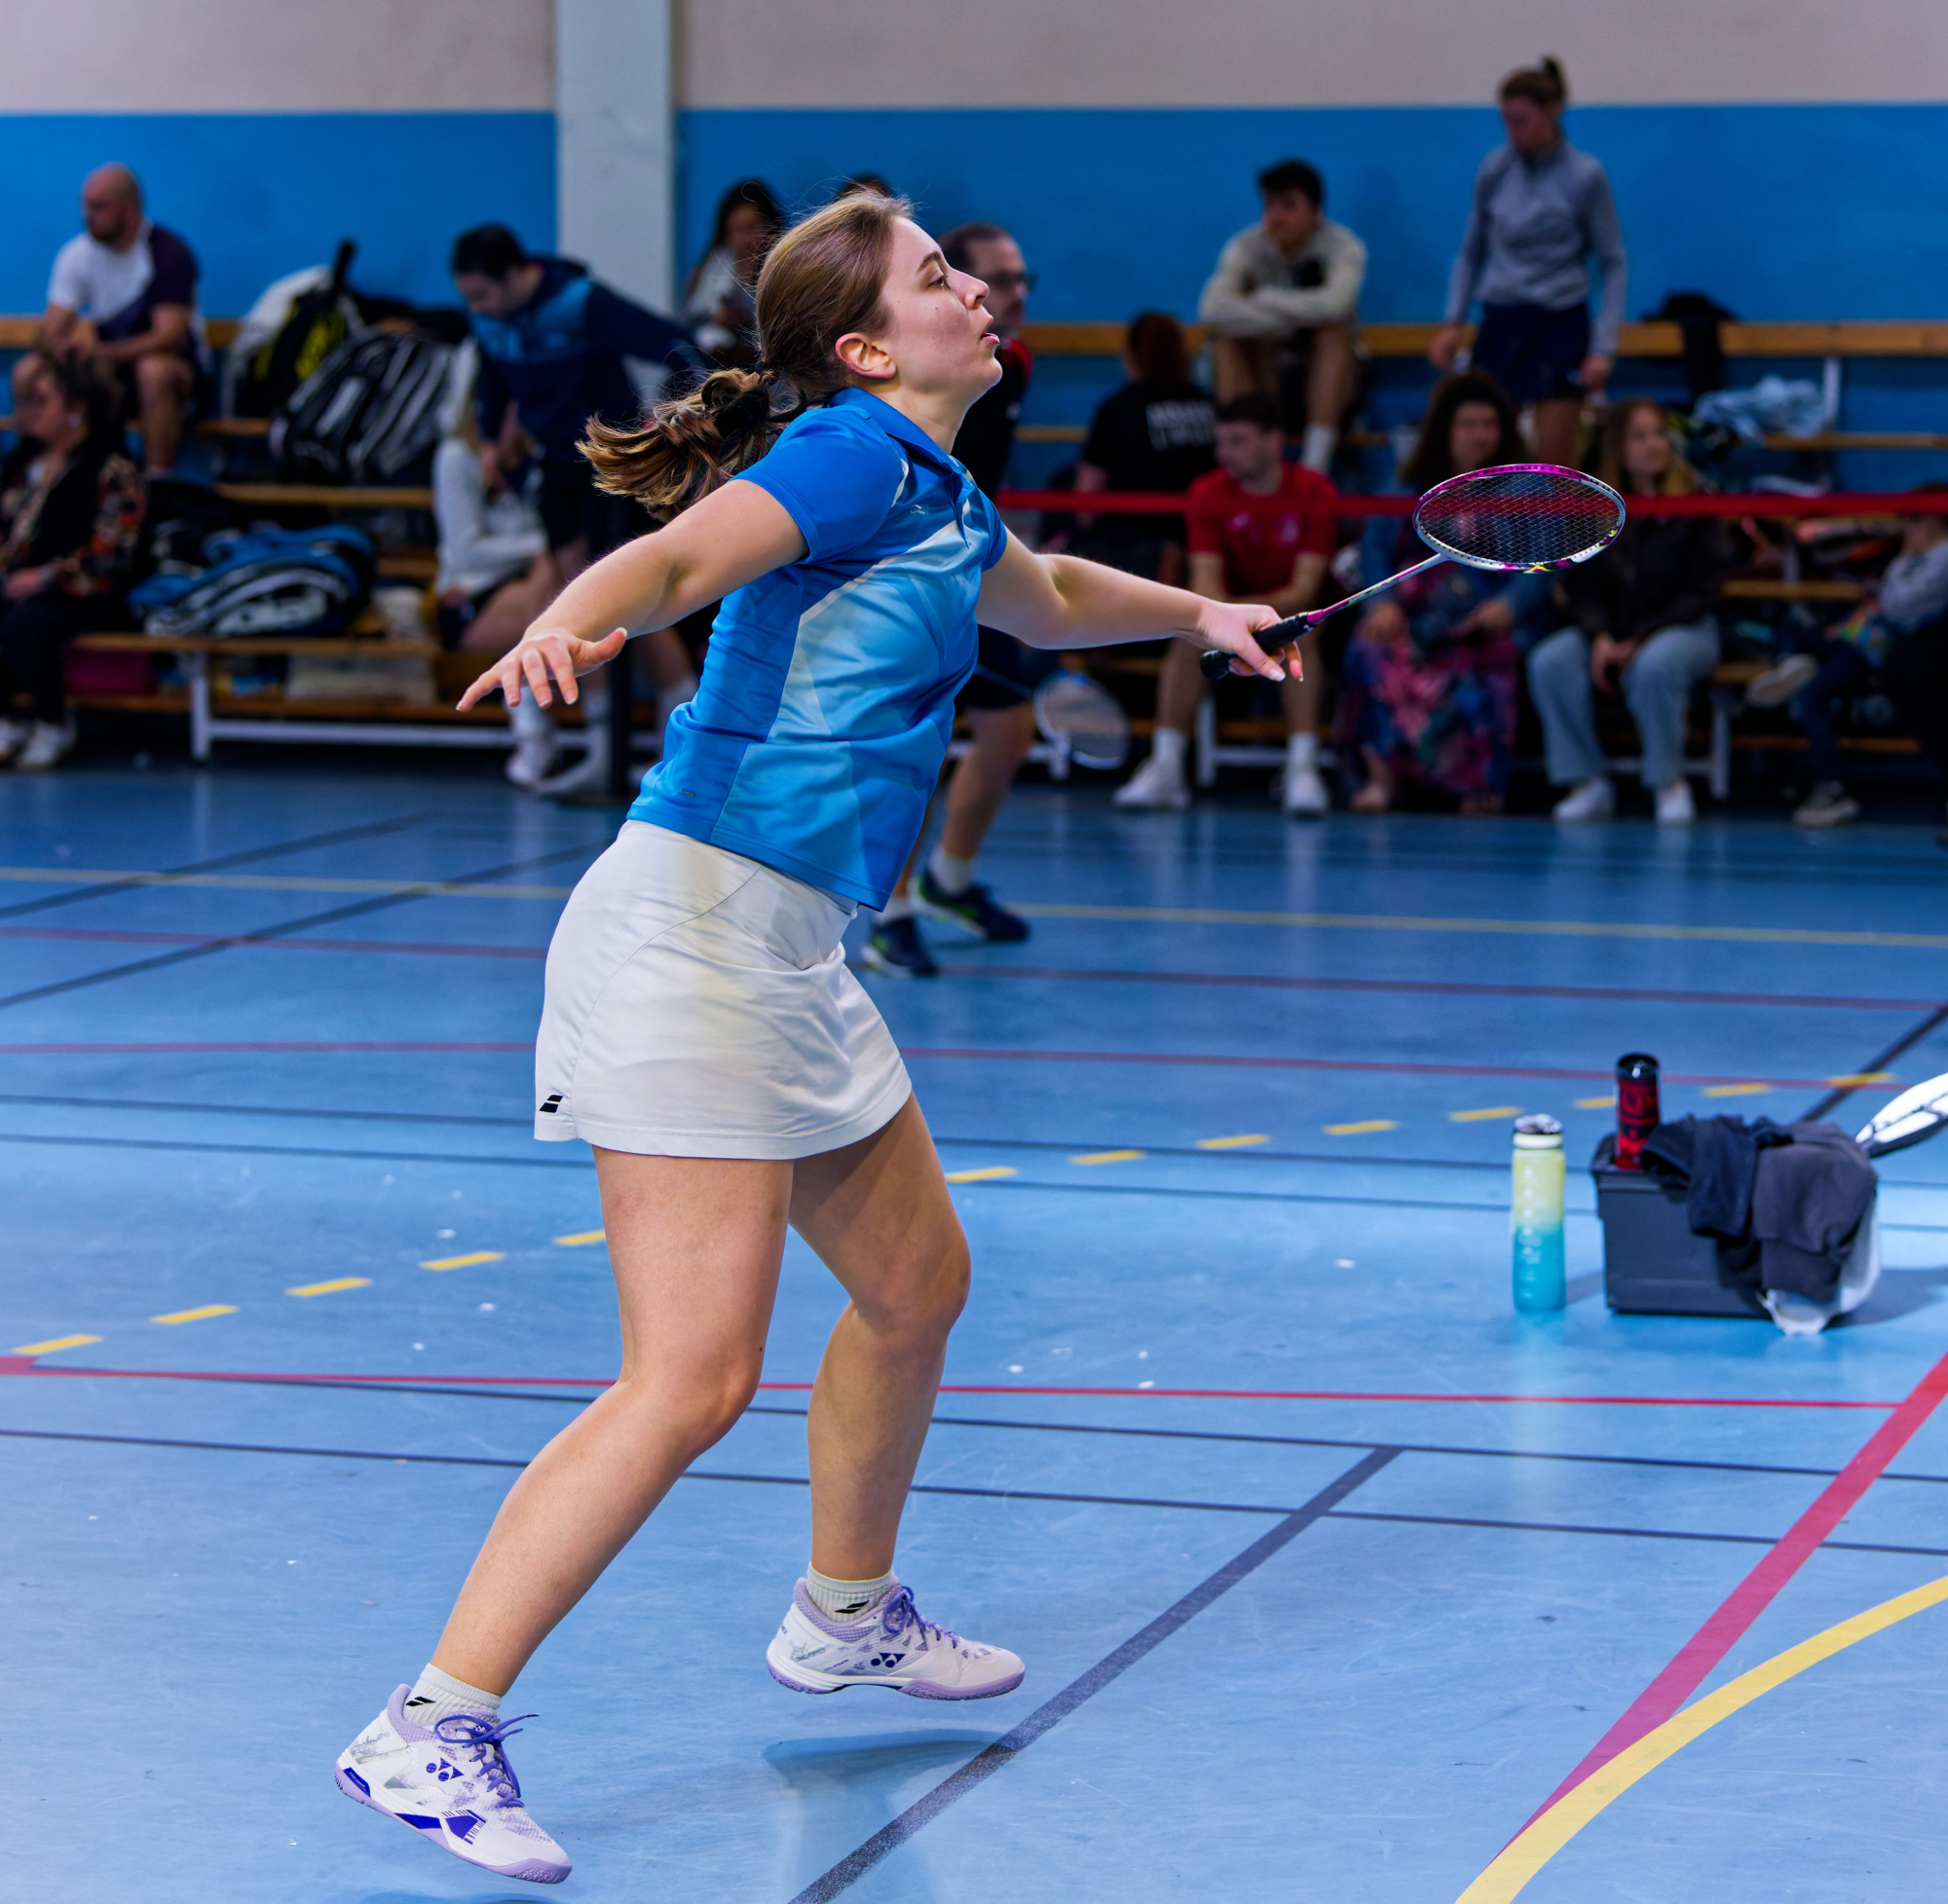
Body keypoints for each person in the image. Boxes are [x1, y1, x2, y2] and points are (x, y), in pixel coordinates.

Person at [335, 192, 1288, 1884]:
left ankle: (846, 1617)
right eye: (937, 276)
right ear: (863, 348)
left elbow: (1047, 595)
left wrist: (1197, 617)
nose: (976, 287)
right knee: (690, 1379)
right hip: (691, 938)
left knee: (916, 1286)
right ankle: (431, 1720)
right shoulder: (849, 454)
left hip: (790, 950)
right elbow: (683, 556)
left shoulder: (937, 485)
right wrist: (570, 615)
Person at [451, 223, 698, 795]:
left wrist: (674, 419)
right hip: (556, 471)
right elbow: (494, 383)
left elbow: (677, 345)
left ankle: (686, 749)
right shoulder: (490, 320)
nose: (476, 308)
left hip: (610, 469)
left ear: (514, 275)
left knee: (634, 601)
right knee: (579, 605)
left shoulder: (581, 302)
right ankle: (601, 749)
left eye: (483, 294)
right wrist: (490, 442)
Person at [867, 219, 1044, 977]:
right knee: (917, 745)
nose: (1015, 293)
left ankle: (951, 879)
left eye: (1021, 278)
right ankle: (891, 911)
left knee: (1008, 731)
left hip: (972, 562)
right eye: (999, 279)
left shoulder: (1011, 366)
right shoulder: (903, 388)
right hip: (906, 575)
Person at [1116, 395, 1338, 814]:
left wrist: (1250, 618)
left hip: (1290, 618)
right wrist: (1234, 620)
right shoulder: (1207, 492)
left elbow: (1304, 590)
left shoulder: (1314, 491)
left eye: (1238, 441)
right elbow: (1205, 587)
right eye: (1221, 441)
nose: (1224, 453)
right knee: (1187, 637)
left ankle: (1302, 767)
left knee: (1300, 641)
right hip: (1228, 612)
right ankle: (1166, 766)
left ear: (1274, 442)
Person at [1337, 372, 1545, 814]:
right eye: (1468, 424)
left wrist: (1509, 604)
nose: (1479, 435)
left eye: (1489, 425)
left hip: (1485, 617)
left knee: (1489, 658)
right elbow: (1375, 550)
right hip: (1410, 615)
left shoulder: (1527, 487)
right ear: (1445, 429)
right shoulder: (1406, 483)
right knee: (1369, 649)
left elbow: (1543, 561)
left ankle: (1479, 785)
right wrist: (1382, 604)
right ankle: (1381, 778)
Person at [1528, 399, 1729, 826]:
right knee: (1550, 661)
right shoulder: (1592, 507)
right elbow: (1580, 587)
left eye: (1659, 434)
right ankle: (1585, 782)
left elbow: (1703, 589)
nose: (1653, 445)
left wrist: (1641, 638)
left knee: (1655, 666)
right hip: (1611, 630)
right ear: (1616, 446)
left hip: (1682, 627)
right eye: (1639, 437)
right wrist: (1600, 635)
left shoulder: (1697, 500)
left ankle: (1668, 781)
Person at [1430, 58, 1627, 468]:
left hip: (1559, 322)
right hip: (1502, 319)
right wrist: (1452, 321)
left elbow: (1613, 263)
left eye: (1522, 121)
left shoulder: (1586, 176)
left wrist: (1603, 347)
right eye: (1506, 122)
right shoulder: (1494, 170)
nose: (1513, 132)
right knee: (1488, 459)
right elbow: (1471, 251)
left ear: (1551, 112)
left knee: (1555, 466)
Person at [1745, 500, 1948, 829]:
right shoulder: (1909, 557)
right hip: (1864, 639)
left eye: (1912, 519)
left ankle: (1830, 787)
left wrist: (1884, 586)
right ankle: (1794, 661)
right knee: (1801, 652)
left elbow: (1897, 605)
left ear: (1933, 521)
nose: (1906, 528)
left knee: (1816, 690)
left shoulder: (1940, 559)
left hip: (1895, 650)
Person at [0, 352, 145, 771]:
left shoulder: (111, 467)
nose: (30, 412)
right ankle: (7, 719)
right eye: (27, 401)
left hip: (86, 589)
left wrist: (46, 576)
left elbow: (113, 551)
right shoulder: (23, 463)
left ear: (76, 408)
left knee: (26, 622)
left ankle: (53, 719)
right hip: (18, 581)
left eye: (42, 401)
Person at [1198, 159, 1366, 473]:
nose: (1276, 217)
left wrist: (1264, 300)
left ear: (1315, 212)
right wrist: (1292, 320)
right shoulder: (1245, 246)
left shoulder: (1344, 246)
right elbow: (1212, 310)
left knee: (1332, 334)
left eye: (1288, 205)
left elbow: (1336, 305)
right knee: (1228, 343)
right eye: (1270, 205)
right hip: (1266, 380)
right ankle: (1244, 459)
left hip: (1329, 389)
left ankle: (1314, 467)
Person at [41, 164, 204, 476]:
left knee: (153, 371)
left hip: (177, 376)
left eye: (99, 207)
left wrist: (101, 353)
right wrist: (59, 346)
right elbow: (53, 328)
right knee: (32, 372)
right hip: (113, 374)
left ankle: (158, 483)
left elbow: (169, 338)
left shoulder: (168, 254)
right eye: (86, 206)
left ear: (130, 211)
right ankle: (41, 479)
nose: (87, 216)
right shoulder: (75, 255)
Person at [1066, 311, 1216, 581]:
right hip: (1206, 541)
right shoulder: (1208, 404)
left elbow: (1087, 498)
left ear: (1133, 355)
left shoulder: (1118, 409)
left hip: (1135, 548)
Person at [685, 178, 785, 364]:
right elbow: (693, 321)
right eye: (735, 230)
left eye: (751, 227)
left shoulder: (786, 269)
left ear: (771, 226)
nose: (744, 239)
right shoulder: (710, 269)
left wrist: (744, 319)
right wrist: (718, 319)